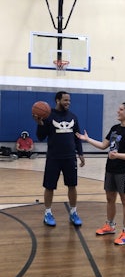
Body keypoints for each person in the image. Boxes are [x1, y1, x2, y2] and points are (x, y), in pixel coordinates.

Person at [76, 102, 125, 245]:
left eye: (121, 109)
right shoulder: (114, 128)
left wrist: (118, 156)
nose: (118, 111)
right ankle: (110, 226)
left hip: (124, 171)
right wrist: (87, 139)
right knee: (110, 198)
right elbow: (103, 146)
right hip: (110, 169)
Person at [33, 91, 85, 227]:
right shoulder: (48, 116)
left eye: (69, 100)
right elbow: (40, 137)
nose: (68, 102)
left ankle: (73, 212)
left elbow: (77, 136)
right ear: (57, 100)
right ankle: (48, 213)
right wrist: (39, 123)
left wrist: (80, 153)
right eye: (65, 100)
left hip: (70, 158)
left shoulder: (73, 116)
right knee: (49, 186)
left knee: (72, 186)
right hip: (53, 158)